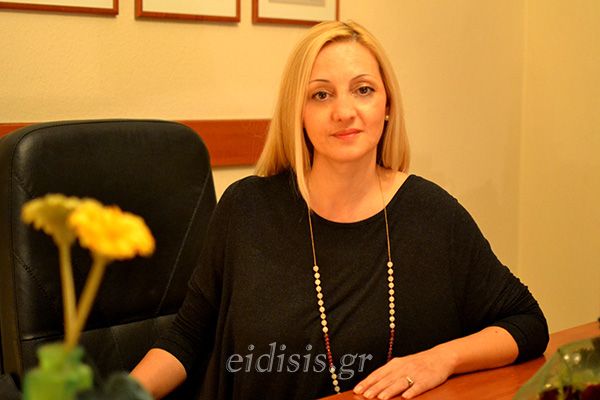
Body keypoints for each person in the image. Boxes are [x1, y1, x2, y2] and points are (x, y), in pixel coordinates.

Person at [131, 20, 549, 400]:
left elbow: (526, 322)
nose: (344, 112)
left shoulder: (434, 215)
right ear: (299, 112)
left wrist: (440, 359)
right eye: (321, 94)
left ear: (387, 105)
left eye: (363, 90)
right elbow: (187, 337)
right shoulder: (246, 208)